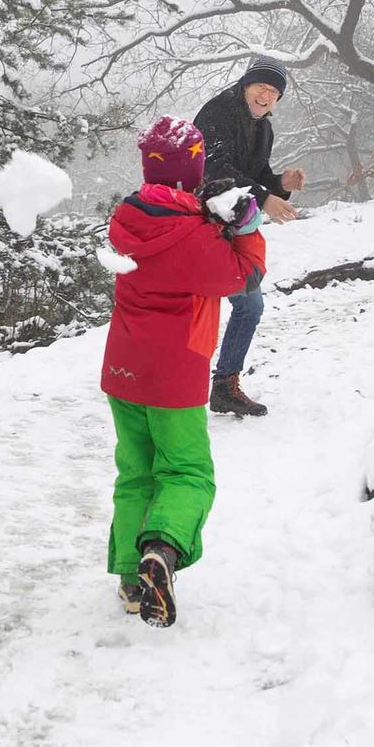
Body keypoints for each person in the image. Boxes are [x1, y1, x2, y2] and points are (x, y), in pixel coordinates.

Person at [99, 116, 266, 627]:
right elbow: (246, 276)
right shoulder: (194, 236)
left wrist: (206, 215)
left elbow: (171, 223)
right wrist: (246, 225)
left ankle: (132, 579)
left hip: (124, 368)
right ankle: (164, 548)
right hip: (176, 373)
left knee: (136, 472)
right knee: (187, 472)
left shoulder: (127, 219)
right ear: (195, 172)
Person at [193, 54, 305, 417]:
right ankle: (170, 383)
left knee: (248, 305)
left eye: (274, 91)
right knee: (192, 308)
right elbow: (215, 169)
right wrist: (264, 195)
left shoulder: (264, 128)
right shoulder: (218, 112)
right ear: (245, 86)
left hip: (232, 224)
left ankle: (224, 385)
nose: (266, 96)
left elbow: (255, 173)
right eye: (261, 87)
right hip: (197, 223)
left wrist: (280, 185)